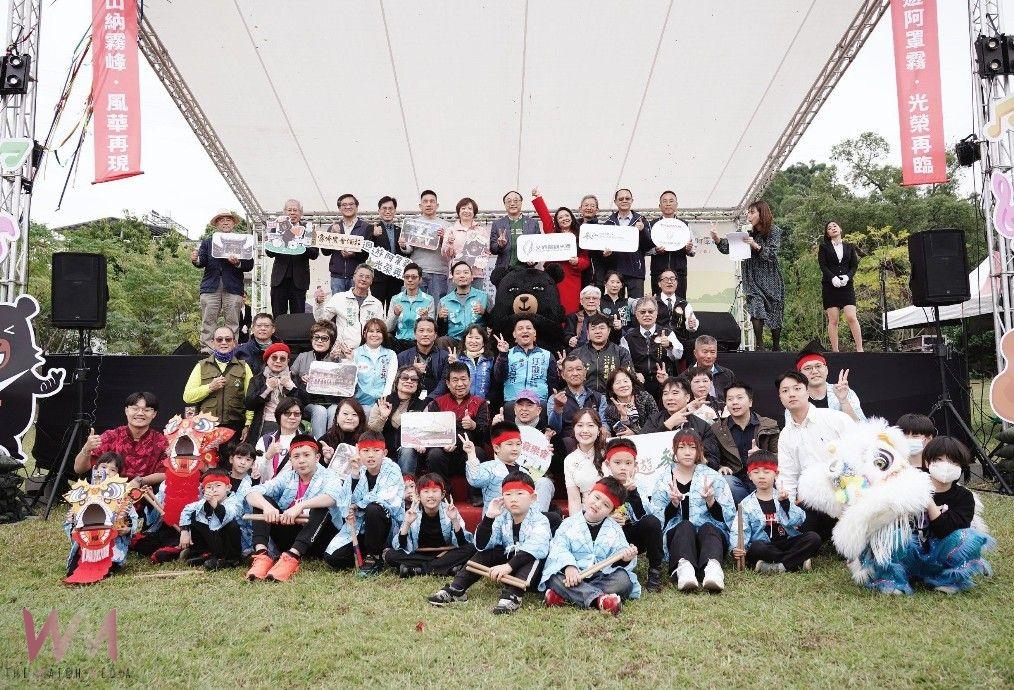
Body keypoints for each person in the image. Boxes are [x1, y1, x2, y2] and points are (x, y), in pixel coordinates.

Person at [427, 471, 553, 615]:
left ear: (533, 498)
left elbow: (537, 547)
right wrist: (489, 517)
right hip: (507, 569)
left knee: (534, 556)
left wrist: (508, 566)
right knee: (488, 552)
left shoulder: (540, 520)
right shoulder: (502, 517)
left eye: (520, 494)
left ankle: (513, 595)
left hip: (531, 576)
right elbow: (482, 545)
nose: (513, 499)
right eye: (508, 494)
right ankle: (456, 589)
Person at [244, 435, 344, 582]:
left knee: (322, 506)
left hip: (319, 538)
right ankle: (262, 556)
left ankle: (293, 557)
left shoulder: (330, 476)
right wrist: (267, 507)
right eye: (296, 456)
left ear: (317, 457)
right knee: (263, 500)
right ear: (290, 460)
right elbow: (251, 493)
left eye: (306, 455)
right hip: (291, 535)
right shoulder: (288, 477)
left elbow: (332, 497)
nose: (301, 460)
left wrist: (301, 505)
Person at [650, 428, 735, 592]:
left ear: (699, 450)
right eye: (682, 447)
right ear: (674, 450)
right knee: (685, 525)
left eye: (692, 447)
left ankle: (712, 569)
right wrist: (673, 504)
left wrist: (711, 502)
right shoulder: (664, 479)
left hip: (710, 537)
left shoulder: (713, 477)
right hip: (679, 538)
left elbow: (728, 518)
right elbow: (656, 520)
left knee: (708, 527)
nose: (687, 452)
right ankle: (685, 569)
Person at [540, 475, 640, 615]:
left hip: (601, 576)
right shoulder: (568, 523)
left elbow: (619, 553)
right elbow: (559, 548)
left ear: (611, 512)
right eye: (596, 497)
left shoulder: (615, 529)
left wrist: (626, 558)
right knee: (553, 577)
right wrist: (569, 566)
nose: (597, 505)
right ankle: (600, 600)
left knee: (623, 581)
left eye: (606, 505)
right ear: (588, 495)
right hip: (572, 575)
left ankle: (565, 595)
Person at [776, 371, 855, 543]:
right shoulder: (785, 436)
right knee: (806, 534)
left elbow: (859, 453)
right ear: (780, 397)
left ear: (807, 392)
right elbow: (788, 475)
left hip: (848, 492)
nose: (791, 394)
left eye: (797, 389)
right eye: (785, 391)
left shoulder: (835, 418)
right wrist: (789, 505)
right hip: (813, 498)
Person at [908, 436, 994, 593]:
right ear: (927, 462)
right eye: (939, 459)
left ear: (961, 466)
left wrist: (929, 501)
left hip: (941, 557)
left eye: (953, 461)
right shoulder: (910, 486)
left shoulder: (964, 497)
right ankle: (895, 578)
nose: (946, 466)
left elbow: (945, 530)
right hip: (911, 554)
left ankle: (948, 581)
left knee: (968, 538)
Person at [323, 432, 405, 576]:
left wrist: (358, 505)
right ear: (358, 451)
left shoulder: (392, 469)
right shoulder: (358, 470)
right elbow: (345, 499)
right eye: (365, 451)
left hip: (385, 526)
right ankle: (368, 552)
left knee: (374, 508)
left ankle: (375, 556)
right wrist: (354, 474)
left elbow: (386, 499)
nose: (371, 455)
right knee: (334, 558)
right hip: (360, 527)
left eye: (376, 450)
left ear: (384, 452)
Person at [711, 200, 784, 350]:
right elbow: (728, 247)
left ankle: (776, 347)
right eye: (747, 213)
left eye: (752, 212)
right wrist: (717, 239)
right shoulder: (746, 232)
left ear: (761, 213)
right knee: (756, 308)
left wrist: (755, 245)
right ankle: (760, 346)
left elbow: (772, 254)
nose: (748, 216)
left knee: (775, 312)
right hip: (751, 278)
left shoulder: (774, 231)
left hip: (771, 278)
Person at [733, 452, 821, 573]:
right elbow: (739, 530)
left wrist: (785, 503)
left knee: (813, 538)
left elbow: (799, 519)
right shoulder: (746, 505)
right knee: (756, 548)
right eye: (756, 472)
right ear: (749, 475)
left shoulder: (782, 496)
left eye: (766, 472)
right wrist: (736, 548)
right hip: (765, 546)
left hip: (786, 542)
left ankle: (773, 567)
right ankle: (795, 562)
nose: (761, 476)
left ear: (776, 474)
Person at [600, 438, 665, 592]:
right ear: (608, 464)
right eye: (617, 463)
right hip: (610, 540)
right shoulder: (602, 486)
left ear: (635, 465)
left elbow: (642, 516)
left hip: (633, 537)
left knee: (652, 522)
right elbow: (592, 515)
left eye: (628, 463)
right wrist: (608, 519)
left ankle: (655, 569)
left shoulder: (638, 485)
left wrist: (633, 493)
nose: (623, 467)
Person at [382, 473, 475, 577]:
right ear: (418, 495)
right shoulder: (413, 512)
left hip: (445, 553)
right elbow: (400, 546)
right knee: (390, 555)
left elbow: (463, 544)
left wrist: (454, 520)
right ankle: (445, 568)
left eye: (435, 491)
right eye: (426, 491)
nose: (430, 495)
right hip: (418, 555)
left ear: (443, 494)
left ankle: (418, 570)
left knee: (471, 548)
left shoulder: (450, 510)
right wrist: (407, 523)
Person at [63, 452, 139, 578]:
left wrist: (127, 530)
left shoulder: (122, 496)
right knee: (76, 568)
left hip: (112, 544)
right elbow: (70, 522)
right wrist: (74, 528)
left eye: (113, 470)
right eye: (103, 467)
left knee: (109, 563)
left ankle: (110, 564)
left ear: (118, 475)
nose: (107, 472)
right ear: (95, 469)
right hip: (86, 543)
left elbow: (132, 518)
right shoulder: (83, 493)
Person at [72, 391, 167, 488]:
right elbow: (79, 469)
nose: (140, 413)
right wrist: (86, 449)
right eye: (135, 409)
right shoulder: (110, 436)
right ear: (126, 411)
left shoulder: (161, 441)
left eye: (146, 410)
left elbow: (166, 472)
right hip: (107, 494)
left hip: (145, 493)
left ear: (154, 414)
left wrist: (140, 481)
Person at [191, 211, 253, 353]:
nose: (225, 222)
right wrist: (195, 259)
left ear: (234, 223)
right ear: (216, 224)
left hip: (233, 286)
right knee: (208, 320)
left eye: (228, 219)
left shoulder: (242, 241)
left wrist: (238, 263)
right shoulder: (207, 242)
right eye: (221, 220)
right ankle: (207, 351)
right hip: (210, 286)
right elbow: (201, 261)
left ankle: (231, 351)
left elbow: (249, 264)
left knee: (233, 321)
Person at [710, 380, 779, 504]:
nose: (734, 402)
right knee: (726, 482)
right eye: (730, 399)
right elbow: (712, 457)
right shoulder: (716, 429)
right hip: (735, 480)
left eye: (739, 398)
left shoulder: (769, 425)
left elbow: (779, 455)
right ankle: (747, 509)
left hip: (762, 476)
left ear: (750, 402)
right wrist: (720, 467)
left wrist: (762, 455)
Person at [466, 422, 556, 515]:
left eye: (518, 444)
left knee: (545, 482)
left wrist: (543, 449)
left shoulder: (524, 469)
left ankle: (537, 519)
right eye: (510, 444)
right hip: (497, 518)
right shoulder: (489, 467)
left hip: (523, 518)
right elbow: (475, 479)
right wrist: (471, 453)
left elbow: (542, 489)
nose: (515, 448)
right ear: (496, 448)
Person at [424, 362, 492, 482]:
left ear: (470, 380)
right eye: (455, 380)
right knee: (434, 454)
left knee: (478, 452)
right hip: (444, 454)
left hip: (467, 454)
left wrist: (474, 426)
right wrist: (443, 443)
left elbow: (485, 436)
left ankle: (475, 491)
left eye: (463, 379)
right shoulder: (437, 403)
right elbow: (430, 433)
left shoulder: (480, 403)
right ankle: (443, 490)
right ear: (448, 383)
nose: (460, 384)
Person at [182, 326, 253, 439]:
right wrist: (210, 387)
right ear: (213, 343)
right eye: (219, 339)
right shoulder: (201, 366)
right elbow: (188, 397)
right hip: (206, 427)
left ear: (234, 343)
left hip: (235, 427)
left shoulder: (244, 367)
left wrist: (248, 424)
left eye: (228, 339)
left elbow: (250, 399)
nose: (224, 342)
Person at [642, 377, 720, 466]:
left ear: (687, 397)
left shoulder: (702, 426)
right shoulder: (654, 420)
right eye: (665, 394)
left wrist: (698, 458)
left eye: (675, 393)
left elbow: (713, 459)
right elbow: (642, 446)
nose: (669, 398)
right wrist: (667, 425)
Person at [178, 468, 245, 570]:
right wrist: (184, 531)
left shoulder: (233, 501)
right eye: (209, 487)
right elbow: (187, 509)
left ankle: (232, 560)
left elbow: (229, 514)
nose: (214, 490)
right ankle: (204, 553)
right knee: (195, 514)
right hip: (214, 541)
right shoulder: (204, 501)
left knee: (232, 524)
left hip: (232, 544)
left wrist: (214, 504)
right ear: (204, 490)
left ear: (228, 487)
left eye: (218, 485)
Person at [314, 264, 386, 357]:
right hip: (343, 351)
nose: (363, 279)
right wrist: (319, 304)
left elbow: (380, 329)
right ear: (354, 277)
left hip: (367, 353)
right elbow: (321, 320)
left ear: (371, 281)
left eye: (367, 277)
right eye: (361, 275)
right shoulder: (339, 298)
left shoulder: (376, 304)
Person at [619, 295, 682, 399]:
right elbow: (624, 363)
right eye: (642, 312)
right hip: (638, 383)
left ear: (656, 314)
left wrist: (669, 346)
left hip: (663, 382)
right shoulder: (627, 338)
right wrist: (634, 374)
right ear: (636, 314)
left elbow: (679, 355)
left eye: (650, 312)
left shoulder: (667, 333)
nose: (647, 315)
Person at [266, 199, 320, 316]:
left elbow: (314, 254)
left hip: (299, 280)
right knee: (278, 316)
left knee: (298, 316)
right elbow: (269, 252)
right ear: (284, 212)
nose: (292, 213)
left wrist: (299, 245)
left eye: (295, 210)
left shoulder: (309, 229)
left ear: (301, 213)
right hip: (279, 280)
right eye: (289, 210)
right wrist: (277, 237)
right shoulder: (277, 227)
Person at [492, 316, 560, 405]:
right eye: (520, 329)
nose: (525, 331)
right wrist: (503, 355)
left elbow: (553, 383)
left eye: (528, 328)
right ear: (514, 334)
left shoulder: (547, 355)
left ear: (534, 333)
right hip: (513, 401)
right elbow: (499, 378)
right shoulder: (506, 354)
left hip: (539, 403)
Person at [399, 190, 452, 301]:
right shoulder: (413, 224)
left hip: (439, 271)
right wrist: (403, 245)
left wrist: (444, 238)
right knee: (415, 303)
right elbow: (409, 249)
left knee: (437, 304)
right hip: (417, 271)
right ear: (420, 206)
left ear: (437, 205)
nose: (429, 204)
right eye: (425, 201)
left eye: (432, 201)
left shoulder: (447, 226)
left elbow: (451, 251)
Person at [292, 320, 341, 439]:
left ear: (331, 341)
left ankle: (331, 444)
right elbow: (290, 379)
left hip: (332, 401)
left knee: (334, 409)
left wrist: (334, 361)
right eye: (316, 337)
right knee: (320, 410)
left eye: (324, 338)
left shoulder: (337, 359)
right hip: (309, 402)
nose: (319, 341)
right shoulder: (302, 357)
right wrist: (301, 381)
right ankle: (319, 445)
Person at [819, 221, 862, 352]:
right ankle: (835, 351)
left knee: (851, 317)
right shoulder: (824, 247)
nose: (833, 228)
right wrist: (832, 277)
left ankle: (860, 349)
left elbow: (854, 265)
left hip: (846, 286)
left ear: (840, 229)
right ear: (827, 233)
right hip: (830, 286)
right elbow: (823, 266)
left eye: (835, 226)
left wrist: (847, 277)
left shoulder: (850, 247)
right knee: (833, 320)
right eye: (829, 228)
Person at [548, 356, 607, 450]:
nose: (575, 373)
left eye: (578, 369)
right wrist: (557, 407)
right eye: (570, 370)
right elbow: (554, 429)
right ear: (563, 375)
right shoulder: (555, 398)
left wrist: (604, 430)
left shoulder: (599, 397)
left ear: (585, 372)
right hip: (567, 445)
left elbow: (604, 424)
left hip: (593, 443)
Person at [602, 189, 652, 298]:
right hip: (615, 273)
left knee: (636, 305)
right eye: (621, 199)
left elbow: (648, 246)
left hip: (636, 272)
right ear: (615, 202)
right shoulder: (608, 223)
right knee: (615, 304)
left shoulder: (642, 220)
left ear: (632, 200)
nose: (624, 201)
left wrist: (643, 230)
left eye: (627, 198)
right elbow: (604, 249)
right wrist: (606, 254)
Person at [245, 343, 301, 438]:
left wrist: (291, 387)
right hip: (267, 420)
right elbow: (249, 404)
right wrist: (267, 388)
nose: (278, 361)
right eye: (274, 358)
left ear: (287, 361)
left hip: (291, 420)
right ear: (267, 359)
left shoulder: (294, 378)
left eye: (282, 359)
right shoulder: (257, 379)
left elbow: (304, 403)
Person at [796, 347, 866, 422]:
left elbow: (860, 425)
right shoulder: (795, 397)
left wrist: (843, 401)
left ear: (826, 370)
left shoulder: (845, 392)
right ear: (800, 374)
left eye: (818, 366)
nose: (814, 371)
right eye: (808, 368)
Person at [321, 193, 371, 295]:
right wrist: (332, 235)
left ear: (356, 207)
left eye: (351, 204)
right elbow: (325, 252)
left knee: (357, 303)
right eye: (344, 205)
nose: (348, 207)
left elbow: (368, 252)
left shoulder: (366, 227)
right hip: (337, 277)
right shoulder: (333, 227)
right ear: (339, 208)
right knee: (337, 304)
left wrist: (354, 254)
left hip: (358, 277)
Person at [648, 191, 695, 297]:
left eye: (671, 201)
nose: (668, 204)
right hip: (658, 273)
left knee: (679, 303)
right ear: (660, 206)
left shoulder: (684, 225)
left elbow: (693, 251)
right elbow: (645, 249)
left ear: (676, 205)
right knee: (658, 303)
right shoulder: (652, 225)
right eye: (665, 201)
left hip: (679, 273)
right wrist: (655, 250)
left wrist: (688, 249)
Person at [571, 313, 632, 393]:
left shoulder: (621, 352)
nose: (597, 332)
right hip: (585, 397)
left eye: (601, 328)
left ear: (609, 330)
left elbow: (629, 378)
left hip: (613, 397)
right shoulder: (577, 354)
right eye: (593, 329)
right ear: (587, 333)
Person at [548, 205, 590, 315]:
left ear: (571, 217)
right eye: (560, 217)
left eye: (567, 215)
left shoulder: (580, 235)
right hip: (555, 278)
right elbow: (545, 218)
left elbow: (586, 261)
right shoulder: (552, 234)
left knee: (571, 309)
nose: (564, 218)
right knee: (555, 307)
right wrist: (538, 198)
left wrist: (578, 261)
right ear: (557, 221)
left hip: (573, 278)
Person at [563, 409, 605, 518]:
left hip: (612, 513)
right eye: (580, 425)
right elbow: (574, 499)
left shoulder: (608, 454)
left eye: (590, 425)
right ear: (574, 429)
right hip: (587, 514)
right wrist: (576, 524)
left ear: (599, 430)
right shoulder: (569, 460)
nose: (585, 430)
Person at [489, 190, 544, 273]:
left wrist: (534, 260)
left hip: (527, 271)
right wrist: (500, 245)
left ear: (521, 203)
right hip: (504, 271)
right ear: (504, 204)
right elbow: (493, 249)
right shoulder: (497, 224)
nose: (512, 204)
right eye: (509, 201)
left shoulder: (533, 223)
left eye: (516, 200)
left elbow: (538, 247)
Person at [253, 397, 305, 482]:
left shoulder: (308, 440)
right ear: (279, 415)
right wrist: (268, 456)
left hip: (297, 488)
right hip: (269, 487)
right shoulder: (265, 440)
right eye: (287, 413)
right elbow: (257, 475)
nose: (292, 417)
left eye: (296, 414)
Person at [386, 263, 435, 352]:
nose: (410, 280)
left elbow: (432, 328)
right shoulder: (395, 299)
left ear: (420, 279)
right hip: (399, 341)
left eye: (414, 277)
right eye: (407, 277)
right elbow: (388, 328)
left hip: (418, 342)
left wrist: (425, 318)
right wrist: (395, 314)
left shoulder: (429, 299)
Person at [351, 318, 398, 411]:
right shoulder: (355, 353)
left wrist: (383, 401)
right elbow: (351, 382)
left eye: (378, 331)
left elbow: (390, 381)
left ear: (383, 335)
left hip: (381, 404)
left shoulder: (391, 354)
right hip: (358, 403)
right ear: (365, 334)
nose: (374, 335)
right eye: (371, 331)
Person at [396, 317, 449, 397]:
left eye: (429, 331)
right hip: (410, 399)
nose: (425, 334)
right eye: (421, 330)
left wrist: (430, 398)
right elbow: (398, 382)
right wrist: (412, 370)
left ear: (435, 335)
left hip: (436, 400)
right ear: (415, 334)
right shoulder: (402, 357)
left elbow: (444, 383)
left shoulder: (445, 357)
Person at [369, 195, 405, 307]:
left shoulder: (401, 231)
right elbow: (365, 249)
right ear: (379, 211)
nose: (387, 211)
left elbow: (406, 253)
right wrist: (372, 235)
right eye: (384, 208)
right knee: (376, 309)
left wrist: (404, 246)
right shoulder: (371, 229)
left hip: (396, 278)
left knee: (394, 311)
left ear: (395, 211)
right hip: (378, 278)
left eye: (390, 208)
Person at [441, 197, 486, 286]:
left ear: (474, 212)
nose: (466, 211)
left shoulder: (481, 231)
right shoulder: (450, 230)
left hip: (476, 274)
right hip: (456, 274)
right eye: (463, 208)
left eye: (470, 208)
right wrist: (449, 243)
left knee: (476, 296)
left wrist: (476, 261)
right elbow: (445, 254)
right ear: (459, 211)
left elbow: (486, 253)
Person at [439, 260, 488, 339]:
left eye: (466, 272)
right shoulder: (444, 301)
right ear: (453, 278)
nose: (462, 276)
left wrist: (484, 313)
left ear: (472, 277)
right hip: (454, 340)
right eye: (458, 273)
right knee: (442, 340)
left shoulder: (484, 296)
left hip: (476, 340)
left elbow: (493, 323)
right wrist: (440, 319)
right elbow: (441, 332)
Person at [603, 368, 658, 437]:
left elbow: (655, 423)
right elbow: (622, 434)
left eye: (625, 381)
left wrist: (636, 433)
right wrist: (624, 417)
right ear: (612, 389)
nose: (623, 385)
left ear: (632, 383)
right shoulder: (610, 411)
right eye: (618, 383)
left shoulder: (645, 397)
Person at [655, 268, 699, 352]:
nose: (669, 282)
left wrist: (691, 325)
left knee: (695, 344)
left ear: (677, 283)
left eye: (672, 279)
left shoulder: (684, 303)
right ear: (659, 284)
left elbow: (692, 323)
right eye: (666, 279)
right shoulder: (653, 302)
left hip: (679, 341)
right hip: (659, 340)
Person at [692, 335, 736, 403]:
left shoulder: (727, 374)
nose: (709, 356)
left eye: (712, 352)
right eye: (705, 352)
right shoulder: (686, 376)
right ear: (695, 353)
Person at [456, 324, 495, 400]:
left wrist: (488, 401)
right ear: (465, 340)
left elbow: (495, 385)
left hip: (484, 403)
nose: (473, 341)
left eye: (477, 338)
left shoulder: (490, 360)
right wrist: (453, 365)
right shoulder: (457, 359)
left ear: (483, 342)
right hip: (462, 402)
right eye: (470, 337)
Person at [577, 194, 604, 285]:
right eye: (586, 205)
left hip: (597, 275)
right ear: (580, 209)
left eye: (592, 206)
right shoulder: (573, 228)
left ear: (597, 210)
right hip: (577, 273)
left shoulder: (603, 230)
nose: (589, 208)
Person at [600, 271, 632, 342]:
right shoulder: (600, 301)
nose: (615, 285)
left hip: (622, 340)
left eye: (618, 282)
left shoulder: (625, 302)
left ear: (621, 285)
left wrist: (620, 327)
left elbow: (627, 324)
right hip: (603, 339)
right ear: (605, 284)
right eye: (612, 282)